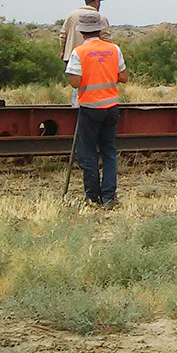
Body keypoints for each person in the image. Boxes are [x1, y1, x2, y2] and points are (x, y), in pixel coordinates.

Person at [65, 11, 128, 208]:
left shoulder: (79, 52)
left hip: (90, 108)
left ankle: (92, 198)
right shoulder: (114, 49)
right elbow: (123, 77)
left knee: (88, 153)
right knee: (108, 152)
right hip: (111, 107)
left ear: (82, 32)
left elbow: (75, 82)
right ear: (100, 30)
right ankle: (109, 197)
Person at [60, 0, 110, 64]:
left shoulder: (72, 15)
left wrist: (63, 51)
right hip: (92, 57)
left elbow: (63, 35)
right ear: (96, 2)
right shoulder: (100, 17)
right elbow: (106, 38)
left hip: (71, 56)